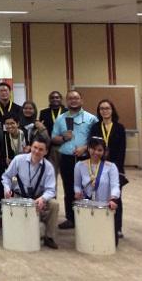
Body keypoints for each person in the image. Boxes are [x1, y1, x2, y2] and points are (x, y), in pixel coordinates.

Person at [1, 137, 60, 249]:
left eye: (41, 149)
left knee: (54, 204)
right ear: (30, 147)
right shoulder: (18, 160)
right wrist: (7, 189)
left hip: (37, 198)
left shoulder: (48, 167)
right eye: (35, 147)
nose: (37, 151)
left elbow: (51, 190)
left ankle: (49, 237)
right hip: (19, 196)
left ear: (46, 151)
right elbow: (6, 177)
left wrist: (43, 198)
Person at [52, 89, 98, 229]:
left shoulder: (91, 119)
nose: (73, 100)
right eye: (70, 98)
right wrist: (63, 138)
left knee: (87, 188)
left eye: (76, 98)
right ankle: (71, 218)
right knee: (69, 188)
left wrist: (85, 147)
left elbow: (97, 140)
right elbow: (53, 138)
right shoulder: (60, 118)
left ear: (81, 100)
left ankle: (86, 216)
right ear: (67, 101)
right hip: (66, 158)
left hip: (85, 158)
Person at [90, 99, 126, 238]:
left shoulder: (119, 128)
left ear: (112, 110)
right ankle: (100, 225)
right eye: (102, 109)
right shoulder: (95, 127)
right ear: (99, 111)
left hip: (115, 166)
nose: (104, 111)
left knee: (115, 198)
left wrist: (119, 169)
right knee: (98, 196)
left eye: (107, 108)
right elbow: (92, 147)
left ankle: (117, 228)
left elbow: (122, 150)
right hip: (98, 166)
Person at [73, 137, 120, 243]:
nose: (96, 152)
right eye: (93, 149)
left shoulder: (111, 167)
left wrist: (114, 198)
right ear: (88, 149)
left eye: (99, 150)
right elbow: (77, 185)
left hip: (105, 205)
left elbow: (115, 185)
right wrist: (77, 192)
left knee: (107, 240)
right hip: (87, 204)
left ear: (104, 152)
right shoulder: (79, 165)